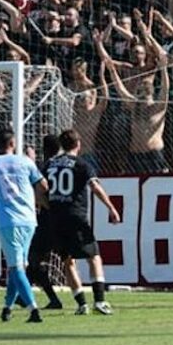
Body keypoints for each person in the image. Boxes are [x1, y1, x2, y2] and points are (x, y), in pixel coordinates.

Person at [46, 129, 122, 315]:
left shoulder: (50, 164)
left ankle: (81, 304)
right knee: (94, 257)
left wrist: (47, 206)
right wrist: (111, 208)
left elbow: (40, 188)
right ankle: (100, 302)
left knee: (67, 261)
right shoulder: (82, 165)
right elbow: (95, 186)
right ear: (78, 144)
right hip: (76, 216)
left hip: (56, 216)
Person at [0, 127, 50, 323]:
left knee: (16, 267)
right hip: (29, 219)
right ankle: (7, 308)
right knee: (18, 266)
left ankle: (33, 309)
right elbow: (44, 186)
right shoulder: (26, 162)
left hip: (8, 221)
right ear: (13, 143)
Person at [27, 134, 66, 310]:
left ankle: (53, 299)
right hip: (65, 218)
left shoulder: (45, 167)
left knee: (35, 259)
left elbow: (39, 193)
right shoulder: (66, 166)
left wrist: (48, 206)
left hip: (47, 219)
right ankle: (24, 294)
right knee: (39, 259)